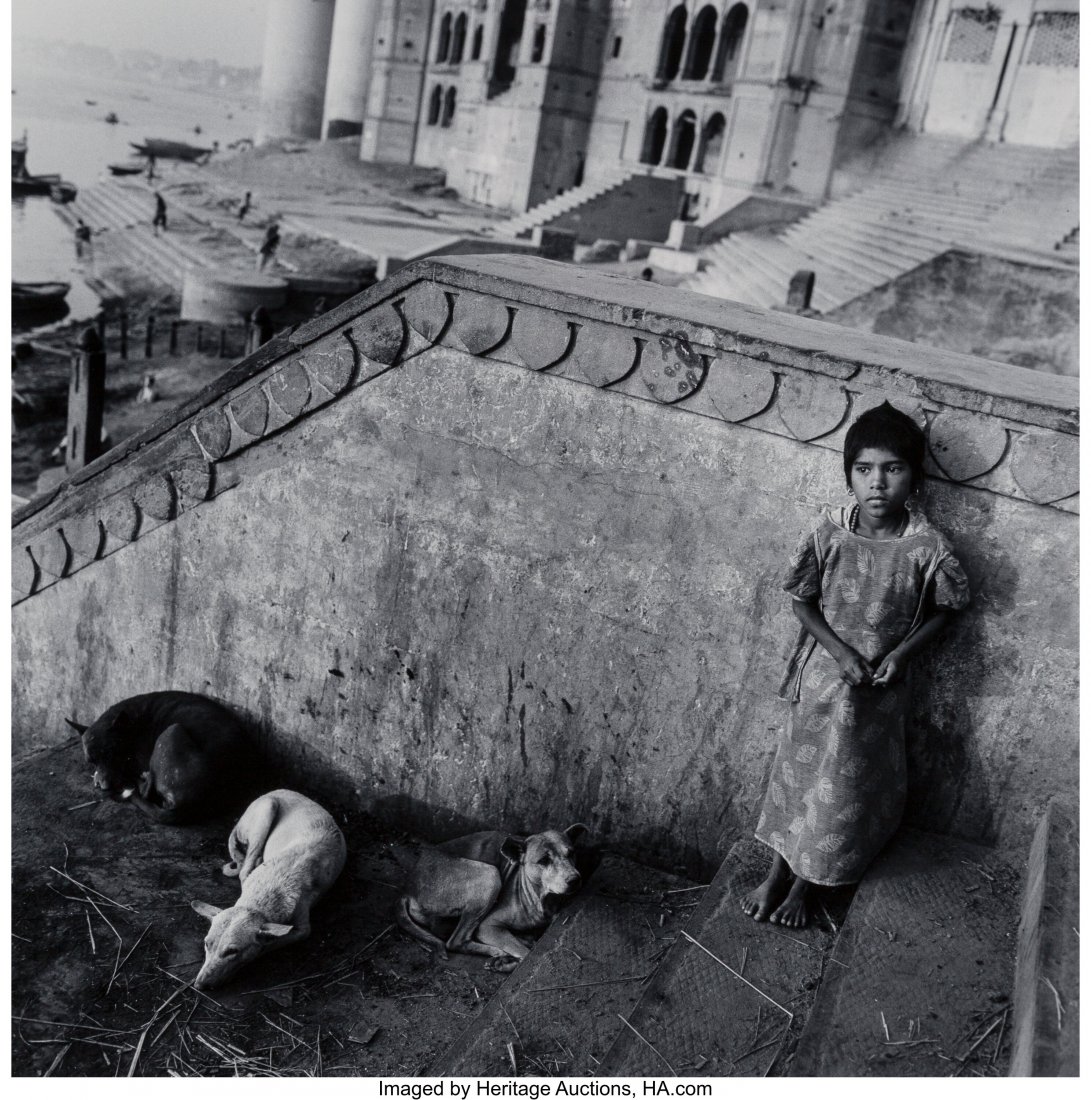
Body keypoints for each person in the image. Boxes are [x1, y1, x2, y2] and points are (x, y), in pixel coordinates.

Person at [741, 401, 970, 929]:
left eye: (893, 469)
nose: (878, 483)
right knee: (798, 779)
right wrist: (839, 652)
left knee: (843, 790)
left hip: (878, 693)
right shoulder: (829, 533)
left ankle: (806, 884)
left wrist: (899, 655)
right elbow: (801, 599)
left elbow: (947, 609)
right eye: (864, 469)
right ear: (849, 475)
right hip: (821, 684)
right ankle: (776, 871)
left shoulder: (927, 548)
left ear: (914, 478)